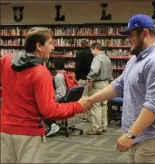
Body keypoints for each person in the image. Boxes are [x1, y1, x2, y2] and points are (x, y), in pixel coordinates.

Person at [87, 14, 155, 163]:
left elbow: (153, 106)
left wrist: (130, 135)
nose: (128, 39)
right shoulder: (136, 60)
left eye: (131, 35)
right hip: (140, 136)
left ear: (145, 34)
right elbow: (118, 85)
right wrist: (90, 99)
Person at [0, 27, 91, 163]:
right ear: (39, 46)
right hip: (29, 134)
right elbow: (49, 110)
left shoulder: (5, 60)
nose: (53, 47)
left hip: (4, 130)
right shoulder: (41, 73)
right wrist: (78, 106)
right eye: (50, 43)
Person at [86, 42, 112, 135]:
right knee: (103, 105)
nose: (91, 52)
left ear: (95, 49)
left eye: (91, 50)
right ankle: (104, 126)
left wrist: (89, 78)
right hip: (106, 83)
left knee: (96, 105)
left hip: (98, 84)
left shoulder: (97, 58)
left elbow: (94, 71)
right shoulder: (107, 58)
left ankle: (97, 128)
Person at [45, 58, 67, 137]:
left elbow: (61, 93)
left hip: (61, 99)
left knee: (42, 106)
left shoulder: (58, 76)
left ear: (54, 65)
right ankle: (52, 123)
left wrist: (51, 98)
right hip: (66, 98)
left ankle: (52, 125)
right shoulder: (65, 73)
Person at [75, 39, 94, 121]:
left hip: (82, 78)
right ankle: (90, 114)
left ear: (82, 45)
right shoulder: (93, 53)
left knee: (83, 97)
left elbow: (78, 66)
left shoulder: (80, 54)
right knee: (90, 97)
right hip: (91, 79)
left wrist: (77, 77)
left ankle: (84, 115)